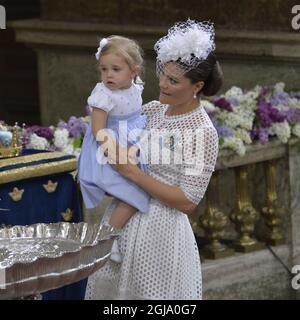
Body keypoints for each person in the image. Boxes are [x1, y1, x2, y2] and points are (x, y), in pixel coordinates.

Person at [85, 19, 223, 300]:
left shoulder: (202, 132)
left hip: (161, 234)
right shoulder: (153, 111)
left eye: (173, 81)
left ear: (196, 85)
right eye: (162, 74)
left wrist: (134, 174)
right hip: (119, 224)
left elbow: (187, 201)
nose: (162, 84)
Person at [78, 36, 150, 263]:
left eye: (116, 69)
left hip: (133, 142)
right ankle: (108, 238)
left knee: (143, 187)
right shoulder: (103, 95)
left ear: (134, 71)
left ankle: (113, 237)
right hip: (107, 149)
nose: (108, 74)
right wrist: (118, 155)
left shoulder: (135, 89)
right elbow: (99, 130)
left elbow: (136, 118)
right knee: (133, 193)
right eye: (104, 69)